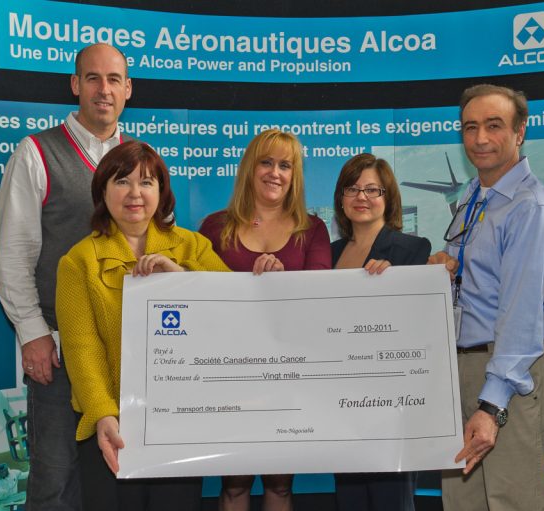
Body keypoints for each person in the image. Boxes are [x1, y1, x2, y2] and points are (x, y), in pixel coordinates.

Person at [0, 42, 134, 511]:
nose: (103, 89)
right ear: (76, 85)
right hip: (56, 349)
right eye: (93, 78)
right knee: (54, 480)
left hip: (124, 349)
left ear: (128, 89)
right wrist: (33, 335)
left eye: (114, 79)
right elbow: (14, 256)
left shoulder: (139, 160)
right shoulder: (36, 153)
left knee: (118, 480)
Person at [56, 141, 229, 510]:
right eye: (122, 181)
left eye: (147, 182)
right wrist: (104, 414)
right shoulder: (78, 262)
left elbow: (232, 311)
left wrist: (181, 277)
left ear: (161, 192)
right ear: (103, 191)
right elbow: (81, 348)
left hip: (181, 422)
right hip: (112, 425)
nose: (135, 193)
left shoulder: (193, 247)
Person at [430, 84, 544, 511]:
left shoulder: (532, 209)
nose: (480, 139)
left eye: (494, 126)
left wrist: (492, 406)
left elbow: (521, 316)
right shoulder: (475, 198)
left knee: (515, 502)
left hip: (512, 375)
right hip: (465, 367)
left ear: (520, 131)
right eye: (470, 127)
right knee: (464, 503)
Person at [199, 128, 331, 510]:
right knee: (235, 485)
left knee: (280, 485)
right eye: (267, 162)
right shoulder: (214, 226)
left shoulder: (313, 229)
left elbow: (318, 299)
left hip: (288, 375)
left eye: (285, 165)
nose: (275, 173)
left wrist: (280, 286)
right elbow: (199, 299)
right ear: (249, 169)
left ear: (295, 175)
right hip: (230, 372)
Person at [331, 153, 430, 511]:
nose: (362, 196)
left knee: (392, 501)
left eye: (373, 189)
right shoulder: (328, 254)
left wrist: (397, 281)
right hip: (339, 403)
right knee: (349, 499)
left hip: (391, 407)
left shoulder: (412, 250)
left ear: (389, 199)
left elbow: (420, 327)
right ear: (341, 199)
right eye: (353, 188)